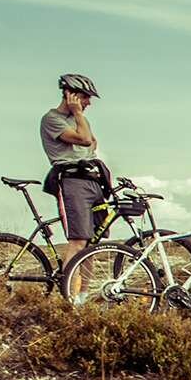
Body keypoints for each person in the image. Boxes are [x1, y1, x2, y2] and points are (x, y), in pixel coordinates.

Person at [41, 73, 108, 266]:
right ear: (72, 95)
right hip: (72, 181)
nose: (88, 102)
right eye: (86, 97)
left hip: (93, 180)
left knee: (91, 244)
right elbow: (86, 140)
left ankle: (82, 295)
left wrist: (80, 121)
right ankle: (68, 294)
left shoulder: (81, 121)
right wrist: (78, 114)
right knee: (78, 241)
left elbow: (93, 143)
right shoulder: (51, 119)